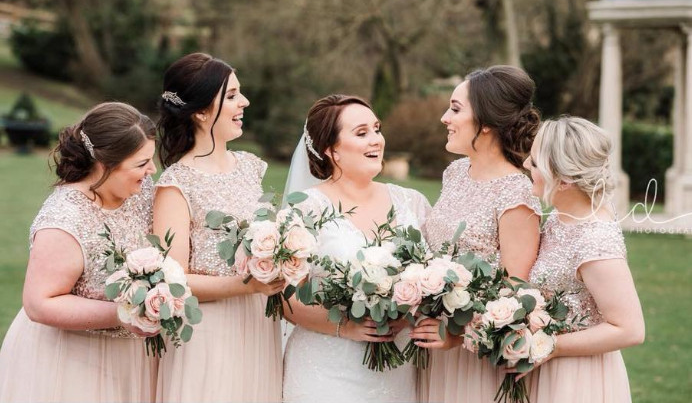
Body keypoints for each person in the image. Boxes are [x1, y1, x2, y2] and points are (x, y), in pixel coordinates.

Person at [0, 102, 158, 402]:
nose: (151, 170)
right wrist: (126, 314)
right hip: (69, 362)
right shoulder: (65, 218)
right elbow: (39, 303)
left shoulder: (141, 193)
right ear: (105, 164)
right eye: (141, 163)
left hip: (131, 363)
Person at [282, 94, 431, 403]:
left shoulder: (412, 203)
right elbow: (286, 299)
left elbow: (432, 280)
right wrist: (346, 326)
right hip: (325, 369)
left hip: (396, 368)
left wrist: (402, 315)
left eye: (377, 129)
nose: (376, 140)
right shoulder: (305, 211)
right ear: (332, 150)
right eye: (361, 133)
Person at [153, 52, 282, 402]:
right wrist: (248, 285)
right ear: (200, 111)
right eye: (232, 95)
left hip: (258, 326)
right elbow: (173, 280)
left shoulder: (251, 168)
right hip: (209, 332)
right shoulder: (177, 183)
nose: (245, 102)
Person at [411, 65, 542, 402]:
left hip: (474, 357)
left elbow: (517, 290)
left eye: (455, 109)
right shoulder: (455, 173)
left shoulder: (516, 194)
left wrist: (457, 334)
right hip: (432, 348)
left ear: (485, 123)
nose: (444, 118)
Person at [518, 116, 644, 402]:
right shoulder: (561, 218)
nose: (526, 164)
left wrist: (550, 345)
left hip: (578, 378)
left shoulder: (595, 239)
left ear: (563, 180)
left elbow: (630, 329)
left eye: (535, 163)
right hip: (548, 369)